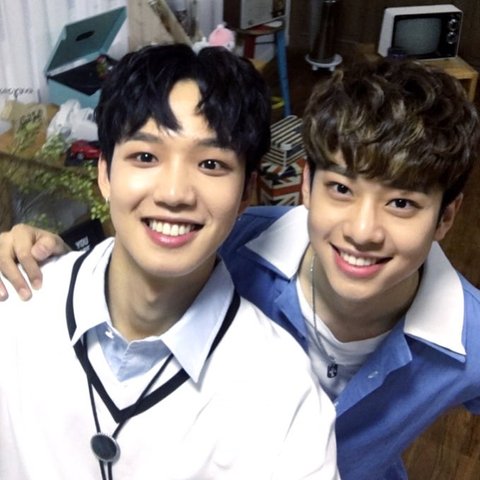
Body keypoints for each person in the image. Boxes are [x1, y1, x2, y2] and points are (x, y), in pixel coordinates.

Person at [1, 58, 480, 480]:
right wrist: (51, 256)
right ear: (306, 185)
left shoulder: (468, 335)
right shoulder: (237, 237)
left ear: (446, 217)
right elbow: (148, 248)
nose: (362, 230)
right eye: (341, 189)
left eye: (401, 203)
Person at [0, 44, 340, 480]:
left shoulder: (283, 396)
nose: (175, 193)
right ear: (104, 173)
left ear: (246, 194)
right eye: (145, 156)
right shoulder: (17, 305)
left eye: (211, 163)